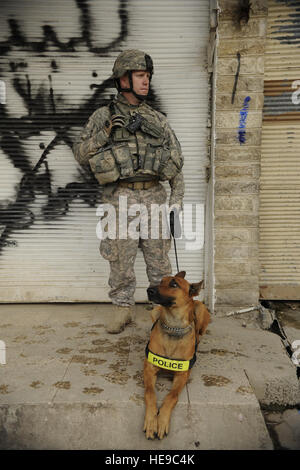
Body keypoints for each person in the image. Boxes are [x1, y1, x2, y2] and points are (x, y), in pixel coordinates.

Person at [73, 49, 184, 334]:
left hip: (154, 199)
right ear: (123, 79)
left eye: (147, 76)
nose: (146, 82)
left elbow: (176, 162)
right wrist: (105, 133)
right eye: (140, 76)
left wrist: (176, 203)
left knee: (159, 263)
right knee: (120, 261)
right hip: (119, 199)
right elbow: (80, 154)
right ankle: (122, 310)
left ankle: (160, 312)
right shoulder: (103, 117)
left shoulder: (157, 120)